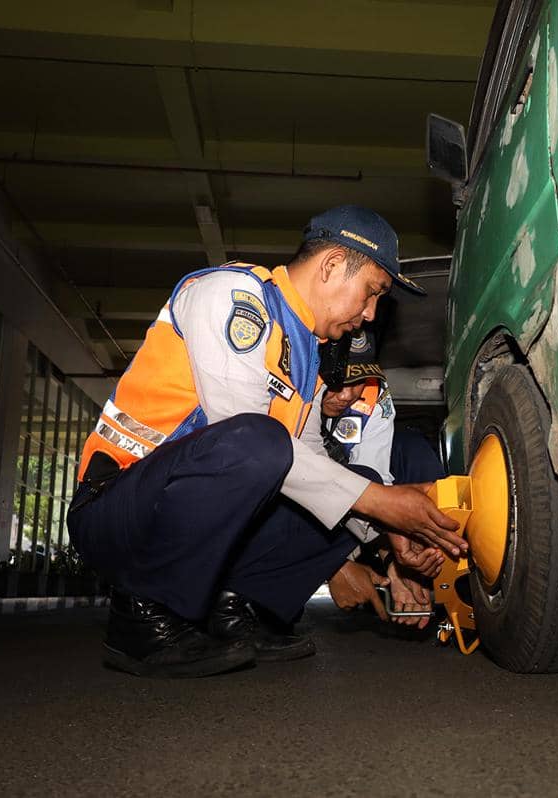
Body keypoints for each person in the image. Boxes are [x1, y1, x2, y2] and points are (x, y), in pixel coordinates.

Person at [67, 206, 465, 678]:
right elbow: (241, 434)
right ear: (333, 265)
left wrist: (386, 536)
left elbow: (318, 473)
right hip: (118, 509)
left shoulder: (305, 363)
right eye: (371, 294)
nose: (370, 314)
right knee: (262, 441)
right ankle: (144, 614)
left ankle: (237, 605)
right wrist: (382, 504)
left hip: (190, 514)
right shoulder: (231, 297)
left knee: (350, 477)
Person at [319, 329, 447, 629]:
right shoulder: (294, 388)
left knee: (412, 450)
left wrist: (397, 561)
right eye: (337, 383)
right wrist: (332, 566)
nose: (348, 395)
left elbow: (372, 485)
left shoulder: (373, 394)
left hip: (348, 490)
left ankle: (435, 570)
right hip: (293, 499)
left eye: (357, 381)